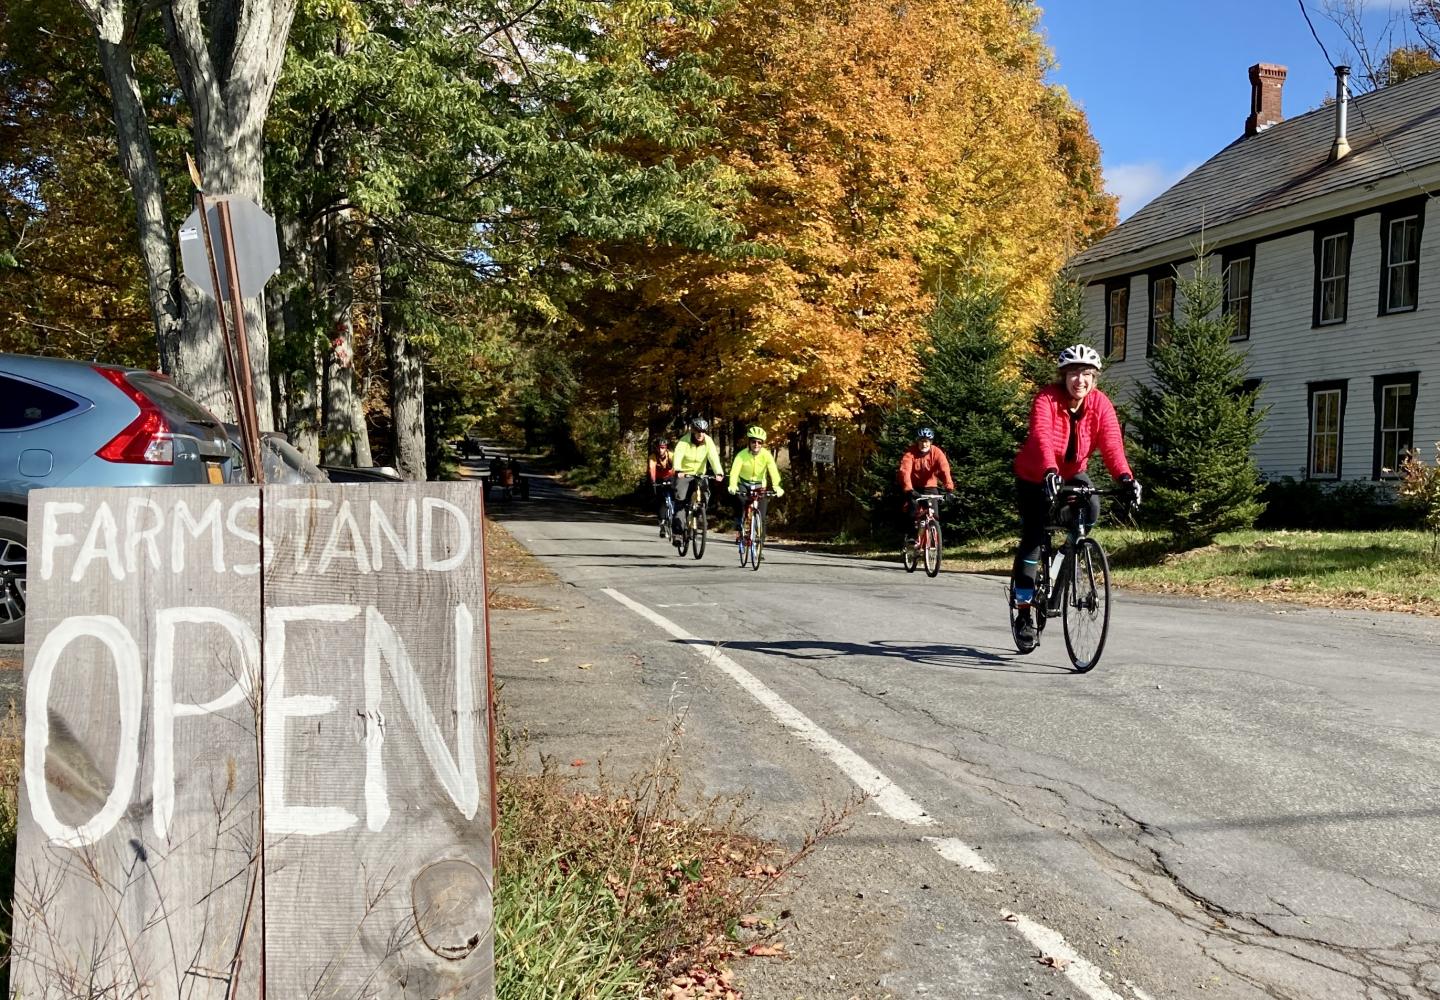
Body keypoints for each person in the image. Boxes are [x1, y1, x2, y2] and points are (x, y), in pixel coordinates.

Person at [1011, 344, 1141, 653]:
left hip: (1072, 473)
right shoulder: (1047, 399)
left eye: (1086, 374)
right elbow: (1042, 435)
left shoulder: (1100, 405)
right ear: (1063, 377)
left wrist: (1126, 477)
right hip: (1035, 474)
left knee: (1091, 507)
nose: (1079, 380)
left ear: (1094, 379)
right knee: (1032, 538)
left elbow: (1111, 444)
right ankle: (1025, 615)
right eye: (1073, 374)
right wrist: (1049, 470)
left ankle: (1069, 550)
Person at [897, 426, 955, 546]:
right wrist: (908, 489)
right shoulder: (910, 453)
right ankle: (912, 537)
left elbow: (944, 469)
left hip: (930, 487)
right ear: (918, 441)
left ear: (930, 442)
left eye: (926, 441)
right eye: (922, 441)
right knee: (912, 512)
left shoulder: (937, 452)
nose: (924, 444)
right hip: (914, 488)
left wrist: (949, 489)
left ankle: (933, 538)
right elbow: (905, 471)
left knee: (934, 515)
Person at [728, 425, 784, 541]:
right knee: (740, 500)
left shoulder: (766, 455)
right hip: (743, 483)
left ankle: (759, 545)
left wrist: (776, 486)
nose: (756, 445)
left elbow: (773, 470)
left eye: (759, 442)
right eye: (754, 441)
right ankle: (740, 524)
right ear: (749, 442)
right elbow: (734, 472)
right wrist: (733, 485)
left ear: (762, 444)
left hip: (759, 485)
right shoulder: (742, 455)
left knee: (762, 516)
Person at [670, 417, 725, 537]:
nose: (701, 434)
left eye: (703, 431)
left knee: (705, 494)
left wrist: (718, 472)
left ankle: (699, 513)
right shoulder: (684, 441)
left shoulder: (708, 441)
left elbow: (713, 458)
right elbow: (677, 455)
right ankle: (678, 532)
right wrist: (678, 469)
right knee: (680, 499)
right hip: (684, 473)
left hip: (700, 474)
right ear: (693, 430)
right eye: (698, 431)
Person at [648, 437, 676, 536]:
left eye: (663, 447)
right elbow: (652, 469)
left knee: (676, 496)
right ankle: (662, 524)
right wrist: (653, 481)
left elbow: (677, 466)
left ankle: (676, 517)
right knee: (660, 501)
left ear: (666, 448)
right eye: (659, 447)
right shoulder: (653, 456)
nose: (661, 450)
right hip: (659, 479)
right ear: (656, 448)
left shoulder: (671, 455)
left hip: (671, 477)